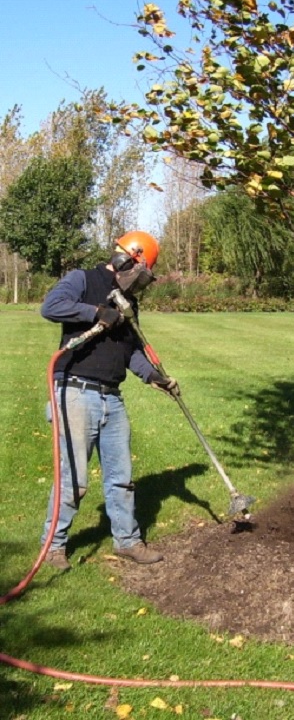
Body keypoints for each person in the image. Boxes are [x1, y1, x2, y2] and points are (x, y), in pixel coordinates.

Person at [40, 230, 179, 571]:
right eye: (140, 272)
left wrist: (153, 376)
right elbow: (51, 306)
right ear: (124, 259)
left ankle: (127, 541)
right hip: (75, 391)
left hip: (111, 399)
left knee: (121, 476)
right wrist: (96, 313)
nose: (140, 282)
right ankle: (54, 547)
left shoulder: (130, 304)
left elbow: (131, 350)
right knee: (74, 478)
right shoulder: (83, 280)